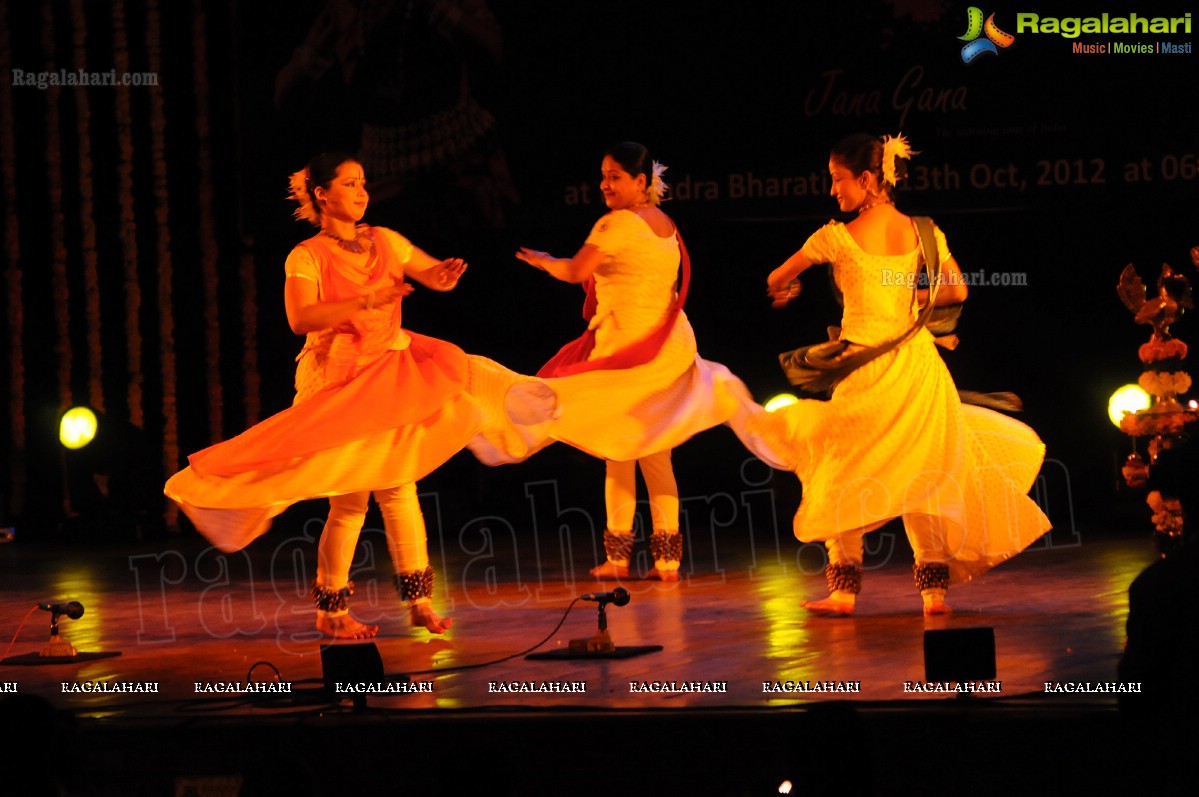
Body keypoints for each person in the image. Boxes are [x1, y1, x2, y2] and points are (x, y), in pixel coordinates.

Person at [166, 152, 553, 638]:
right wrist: (365, 300)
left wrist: (441, 278)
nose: (362, 191)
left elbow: (429, 272)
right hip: (339, 382)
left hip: (391, 376)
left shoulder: (386, 241)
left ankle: (417, 601)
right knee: (350, 502)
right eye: (349, 184)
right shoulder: (306, 255)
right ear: (322, 194)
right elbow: (300, 319)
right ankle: (332, 610)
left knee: (399, 488)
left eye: (364, 183)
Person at [751, 132, 1051, 615]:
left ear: (867, 179)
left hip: (866, 371)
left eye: (838, 180)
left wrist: (785, 292)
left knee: (842, 467)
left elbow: (776, 277)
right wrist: (908, 304)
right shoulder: (924, 232)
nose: (833, 191)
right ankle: (933, 593)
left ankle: (843, 590)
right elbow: (956, 291)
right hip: (917, 367)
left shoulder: (836, 237)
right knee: (924, 472)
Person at [516, 142, 751, 581]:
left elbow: (573, 271)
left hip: (628, 352)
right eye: (602, 175)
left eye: (615, 176)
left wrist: (547, 262)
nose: (605, 184)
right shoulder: (666, 224)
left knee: (619, 453)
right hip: (665, 347)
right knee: (653, 455)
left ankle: (620, 557)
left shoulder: (617, 223)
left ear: (641, 182)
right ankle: (665, 560)